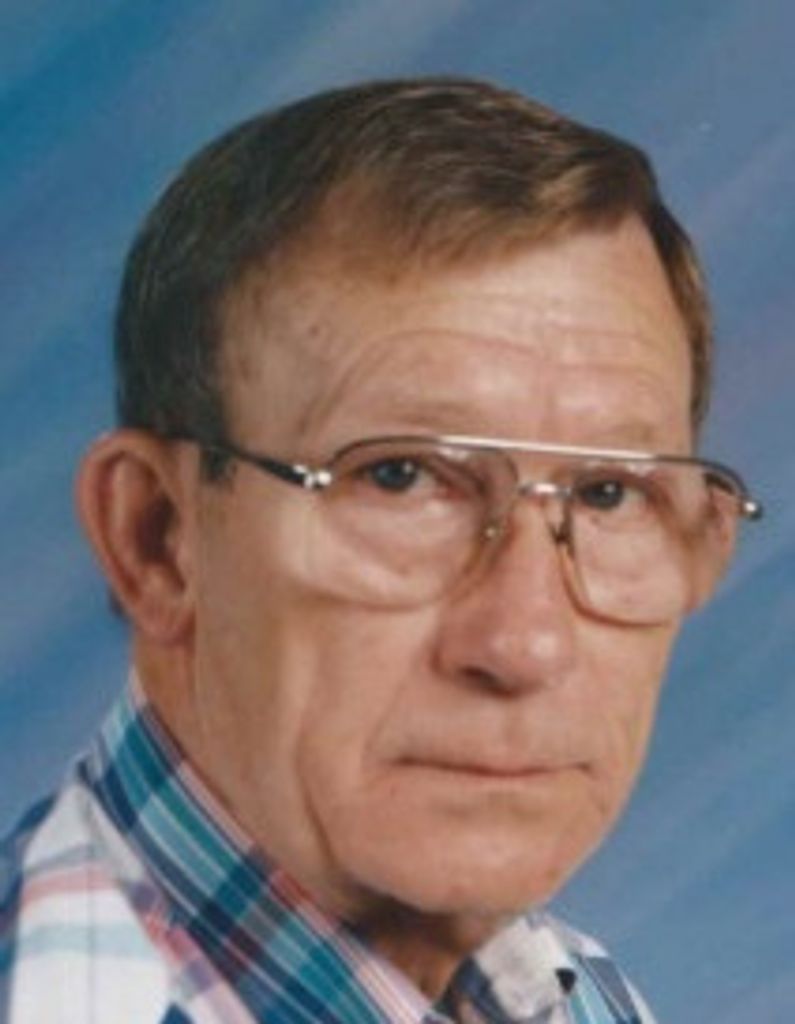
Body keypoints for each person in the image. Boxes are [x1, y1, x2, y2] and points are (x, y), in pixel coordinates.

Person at [0, 76, 762, 1023]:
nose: (525, 644)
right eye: (401, 478)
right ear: (156, 539)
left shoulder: (568, 989)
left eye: (610, 493)